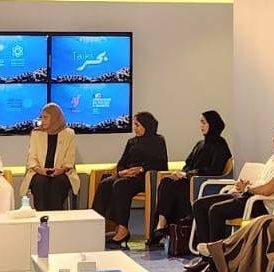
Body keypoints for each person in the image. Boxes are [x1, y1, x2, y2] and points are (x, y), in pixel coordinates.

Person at [184, 121, 274, 266]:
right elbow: (263, 182)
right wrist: (247, 185)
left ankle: (217, 264)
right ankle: (206, 258)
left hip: (262, 204)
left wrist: (248, 189)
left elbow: (268, 190)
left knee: (216, 211)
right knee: (199, 205)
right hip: (251, 196)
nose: (273, 139)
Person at [147, 110, 232, 246]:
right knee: (167, 181)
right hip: (190, 179)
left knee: (175, 189)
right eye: (200, 122)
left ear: (213, 124)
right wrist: (182, 174)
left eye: (204, 123)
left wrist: (187, 175)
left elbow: (213, 170)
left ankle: (164, 228)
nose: (201, 126)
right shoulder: (200, 144)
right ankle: (161, 224)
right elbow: (188, 164)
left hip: (201, 183)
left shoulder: (220, 145)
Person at [91, 111, 168, 247]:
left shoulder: (158, 141)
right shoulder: (131, 142)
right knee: (105, 183)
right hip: (127, 176)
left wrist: (141, 169)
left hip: (145, 177)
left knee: (120, 185)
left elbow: (161, 165)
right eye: (134, 125)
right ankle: (98, 224)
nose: (134, 128)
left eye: (137, 125)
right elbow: (122, 162)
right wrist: (122, 171)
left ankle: (123, 229)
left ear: (146, 125)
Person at [18, 102, 79, 212]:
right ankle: (42, 215)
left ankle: (56, 216)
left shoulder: (69, 134)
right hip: (39, 172)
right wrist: (40, 170)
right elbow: (32, 159)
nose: (42, 120)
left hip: (62, 172)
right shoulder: (36, 133)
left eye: (46, 117)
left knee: (58, 182)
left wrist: (60, 170)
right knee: (40, 182)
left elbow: (69, 160)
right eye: (41, 117)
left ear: (55, 118)